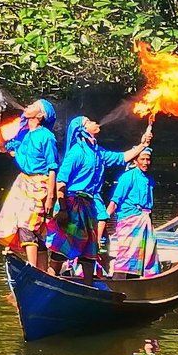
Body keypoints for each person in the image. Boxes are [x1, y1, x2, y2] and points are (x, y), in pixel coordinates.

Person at [45, 115, 151, 284]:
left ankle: (88, 287)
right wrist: (63, 209)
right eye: (90, 121)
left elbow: (122, 157)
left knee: (90, 250)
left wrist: (143, 145)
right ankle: (49, 280)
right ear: (83, 130)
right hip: (74, 205)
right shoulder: (76, 152)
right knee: (64, 247)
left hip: (90, 207)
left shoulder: (98, 152)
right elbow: (61, 182)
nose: (95, 122)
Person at [0, 100, 60, 272]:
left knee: (28, 226)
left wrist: (51, 196)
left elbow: (52, 168)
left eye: (34, 105)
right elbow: (2, 147)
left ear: (41, 115)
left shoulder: (46, 136)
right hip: (23, 184)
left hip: (40, 185)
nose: (28, 106)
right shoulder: (24, 136)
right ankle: (41, 272)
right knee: (31, 229)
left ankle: (33, 271)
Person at [106, 148, 160, 278]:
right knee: (126, 252)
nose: (146, 162)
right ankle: (118, 282)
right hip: (129, 219)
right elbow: (115, 200)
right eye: (142, 159)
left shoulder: (149, 179)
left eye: (148, 159)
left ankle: (137, 279)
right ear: (135, 161)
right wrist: (104, 219)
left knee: (144, 252)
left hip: (145, 221)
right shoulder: (127, 177)